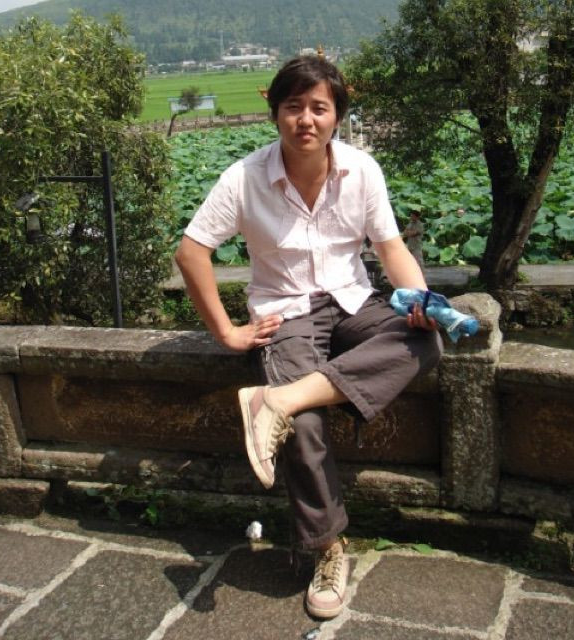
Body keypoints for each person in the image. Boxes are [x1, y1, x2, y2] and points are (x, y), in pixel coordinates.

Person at [175, 55, 442, 620]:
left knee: (425, 340)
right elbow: (191, 252)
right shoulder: (244, 177)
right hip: (285, 313)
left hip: (353, 302)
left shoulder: (362, 170)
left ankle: (278, 400)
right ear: (275, 111)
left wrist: (420, 302)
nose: (306, 119)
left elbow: (390, 247)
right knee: (305, 427)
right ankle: (327, 549)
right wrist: (227, 331)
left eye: (319, 107)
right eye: (293, 106)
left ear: (337, 115)